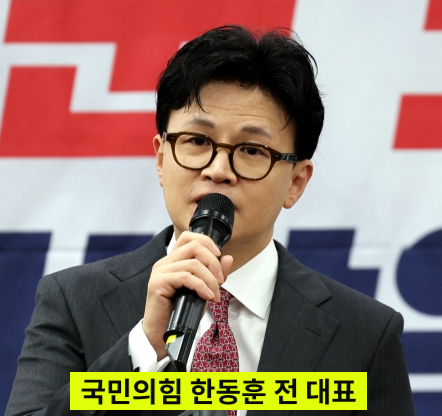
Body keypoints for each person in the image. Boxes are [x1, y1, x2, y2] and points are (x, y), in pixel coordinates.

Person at [6, 25, 415, 416]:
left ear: (296, 182)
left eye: (252, 150)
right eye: (198, 141)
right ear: (161, 158)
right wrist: (145, 349)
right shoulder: (74, 301)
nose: (218, 170)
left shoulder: (365, 333)